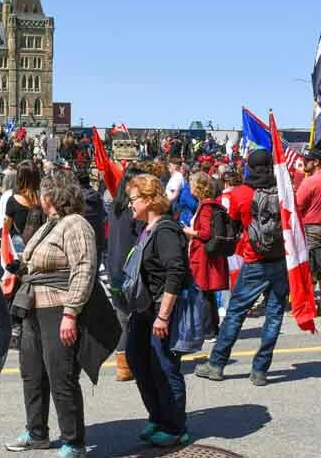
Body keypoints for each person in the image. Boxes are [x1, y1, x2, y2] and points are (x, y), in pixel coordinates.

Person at [4, 172, 99, 458]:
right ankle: (36, 433)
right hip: (33, 308)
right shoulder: (50, 224)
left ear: (53, 196)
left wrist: (71, 313)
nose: (40, 197)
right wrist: (19, 269)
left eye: (44, 192)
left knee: (62, 377)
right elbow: (36, 263)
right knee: (32, 373)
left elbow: (84, 268)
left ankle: (74, 441)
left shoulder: (75, 225)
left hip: (58, 309)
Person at [195, 149, 288, 387]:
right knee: (275, 316)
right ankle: (260, 370)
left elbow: (233, 224)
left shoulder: (240, 193)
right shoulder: (284, 191)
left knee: (236, 313)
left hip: (254, 258)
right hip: (279, 259)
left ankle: (216, 364)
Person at [123, 174, 191, 448]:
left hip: (160, 310)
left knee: (164, 367)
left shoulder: (165, 230)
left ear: (150, 200)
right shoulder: (148, 228)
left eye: (133, 199)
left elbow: (175, 272)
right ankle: (157, 415)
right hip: (142, 310)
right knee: (138, 361)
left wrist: (163, 315)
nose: (130, 205)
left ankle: (175, 427)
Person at [106, 162, 151, 382]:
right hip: (130, 270)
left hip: (114, 268)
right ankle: (132, 364)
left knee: (123, 318)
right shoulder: (135, 212)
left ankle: (123, 365)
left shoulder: (114, 207)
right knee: (137, 319)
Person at [182, 173, 227, 333]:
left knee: (204, 290)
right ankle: (211, 327)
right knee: (206, 292)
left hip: (202, 254)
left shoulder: (206, 207)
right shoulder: (206, 205)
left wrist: (189, 231)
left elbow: (206, 233)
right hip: (202, 253)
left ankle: (208, 328)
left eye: (192, 183)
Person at [295, 150, 321, 314]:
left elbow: (297, 205)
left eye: (307, 160)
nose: (303, 163)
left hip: (310, 228)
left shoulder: (309, 182)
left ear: (316, 162)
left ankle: (309, 306)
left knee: (308, 270)